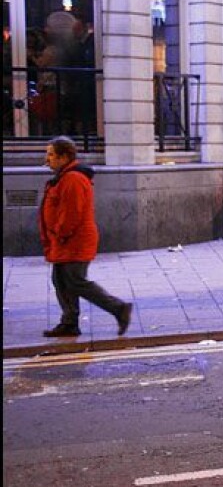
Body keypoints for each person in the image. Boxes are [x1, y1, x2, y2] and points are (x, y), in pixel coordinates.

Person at [40, 136, 132, 338]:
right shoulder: (64, 177)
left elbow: (71, 212)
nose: (47, 159)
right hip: (65, 241)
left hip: (73, 241)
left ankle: (119, 308)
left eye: (51, 155)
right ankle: (69, 322)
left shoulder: (73, 178)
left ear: (64, 157)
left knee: (76, 282)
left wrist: (59, 233)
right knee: (61, 281)